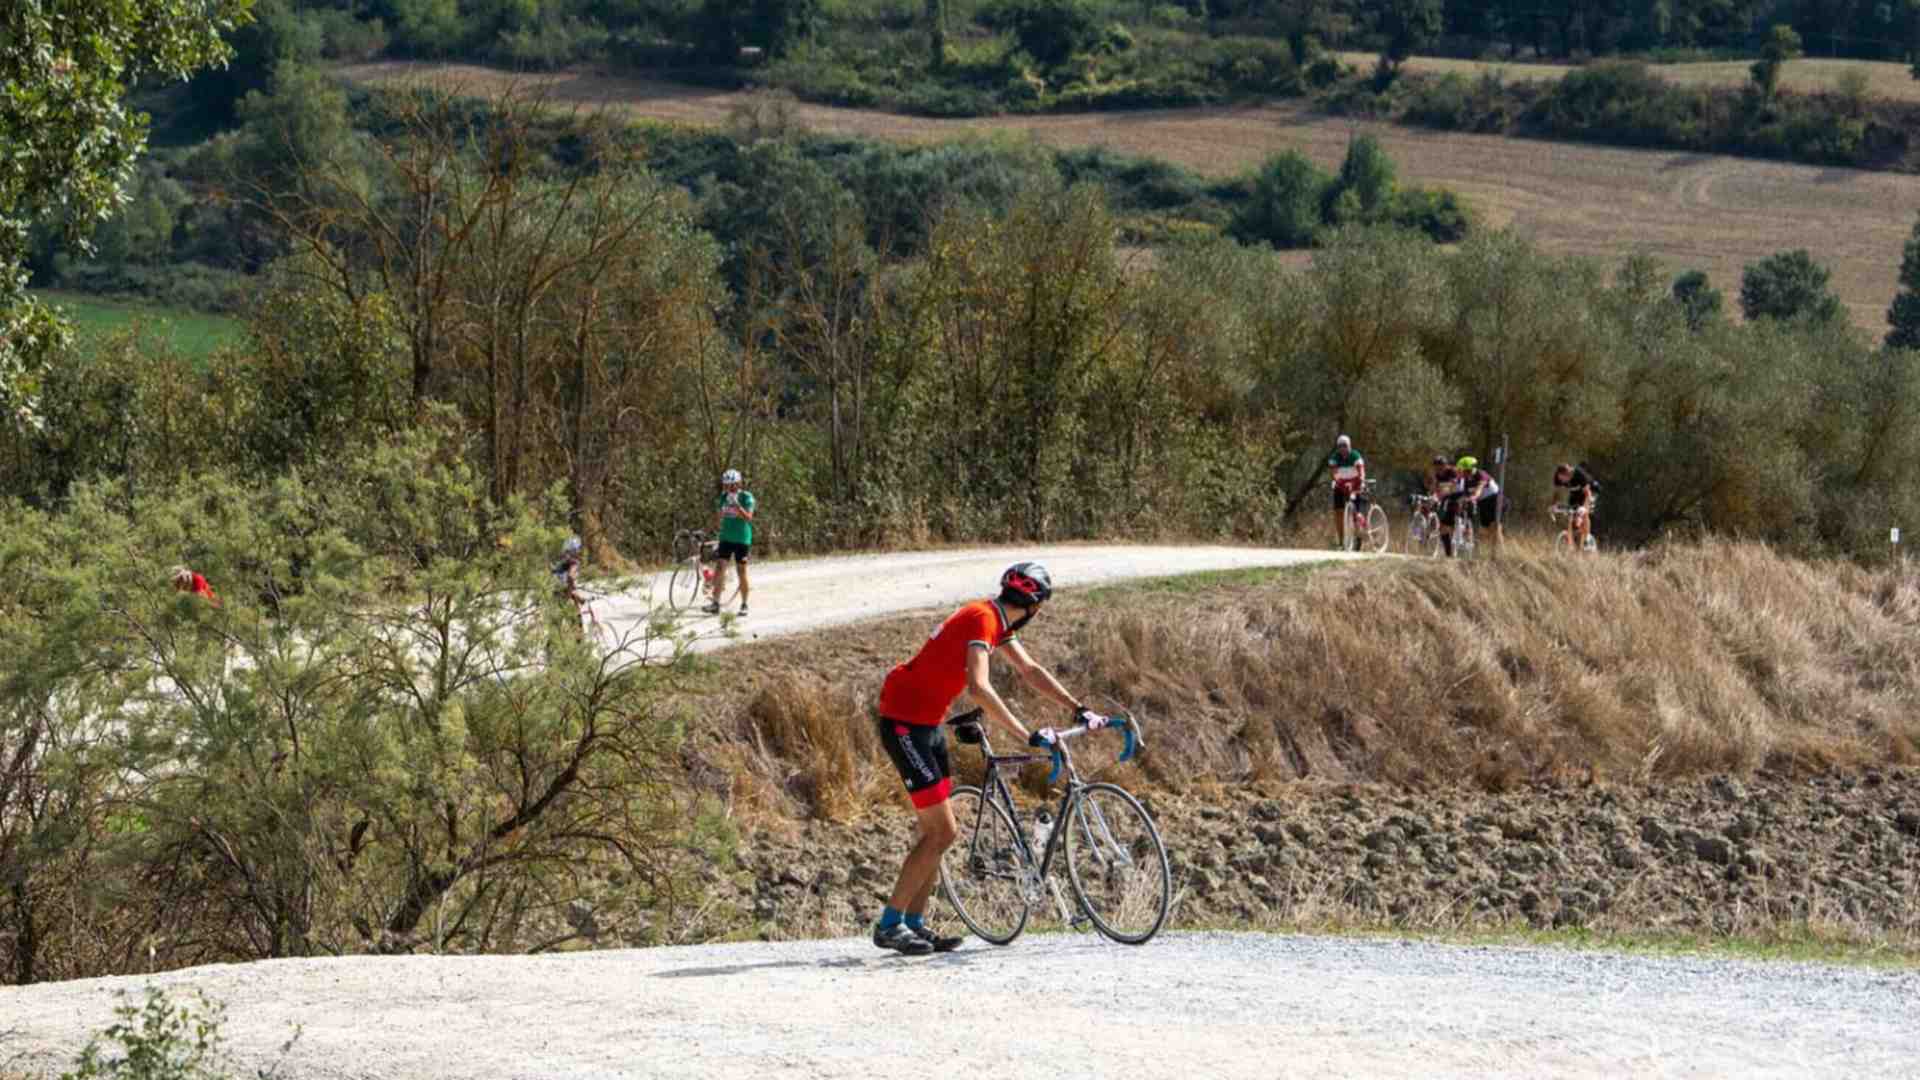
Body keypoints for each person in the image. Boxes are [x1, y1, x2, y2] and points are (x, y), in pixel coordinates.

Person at [870, 562, 1106, 955]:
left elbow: (1031, 670)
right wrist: (1025, 735)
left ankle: (913, 922)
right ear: (1036, 608)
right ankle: (889, 924)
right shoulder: (982, 619)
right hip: (904, 723)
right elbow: (979, 687)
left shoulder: (996, 621)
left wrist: (1077, 707)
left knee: (938, 833)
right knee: (942, 832)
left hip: (927, 723)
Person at [705, 469, 754, 617]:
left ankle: (744, 604)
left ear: (738, 484)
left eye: (731, 485)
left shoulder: (746, 497)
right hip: (726, 538)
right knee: (719, 569)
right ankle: (715, 603)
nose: (728, 488)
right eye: (726, 485)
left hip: (741, 539)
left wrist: (737, 505)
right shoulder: (723, 497)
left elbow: (748, 518)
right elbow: (719, 517)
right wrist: (709, 529)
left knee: (741, 571)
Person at [1326, 435, 1367, 549]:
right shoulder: (1335, 457)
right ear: (1337, 447)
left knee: (1356, 512)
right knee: (1338, 512)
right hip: (1341, 485)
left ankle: (1359, 529)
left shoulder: (1355, 456)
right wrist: (1338, 480)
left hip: (1355, 484)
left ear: (1350, 446)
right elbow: (1334, 473)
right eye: (1340, 446)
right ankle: (1341, 541)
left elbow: (1361, 472)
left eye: (1345, 446)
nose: (1342, 448)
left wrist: (1359, 481)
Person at [1553, 463, 1601, 549]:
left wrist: (1584, 508)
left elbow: (1588, 494)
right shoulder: (1560, 479)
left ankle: (1587, 539)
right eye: (1561, 480)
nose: (1562, 482)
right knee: (1572, 514)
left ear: (1568, 474)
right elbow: (1557, 493)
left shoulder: (1579, 474)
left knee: (1584, 513)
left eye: (1563, 479)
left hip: (1591, 492)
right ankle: (1574, 541)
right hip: (1576, 493)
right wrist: (1554, 505)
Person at [553, 536, 587, 630]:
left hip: (554, 597)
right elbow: (570, 578)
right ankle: (579, 643)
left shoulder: (559, 563)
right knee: (577, 631)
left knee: (555, 630)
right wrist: (571, 596)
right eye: (579, 549)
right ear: (576, 550)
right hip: (566, 599)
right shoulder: (574, 563)